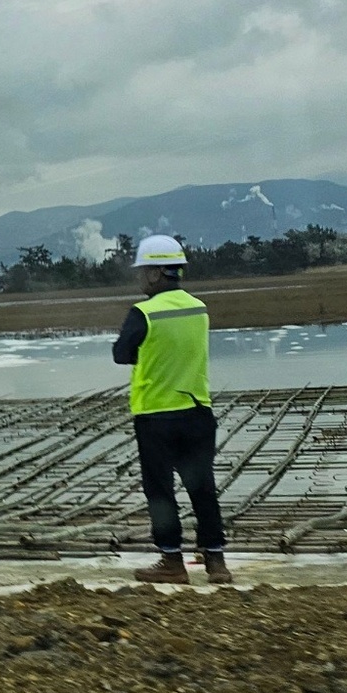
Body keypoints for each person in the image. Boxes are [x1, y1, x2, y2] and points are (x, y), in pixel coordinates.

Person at [112, 235, 231, 585]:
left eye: (142, 271)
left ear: (153, 274)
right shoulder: (199, 309)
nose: (138, 278)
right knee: (202, 487)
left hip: (156, 417)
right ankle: (217, 562)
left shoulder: (143, 313)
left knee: (161, 492)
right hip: (197, 413)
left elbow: (122, 354)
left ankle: (171, 561)